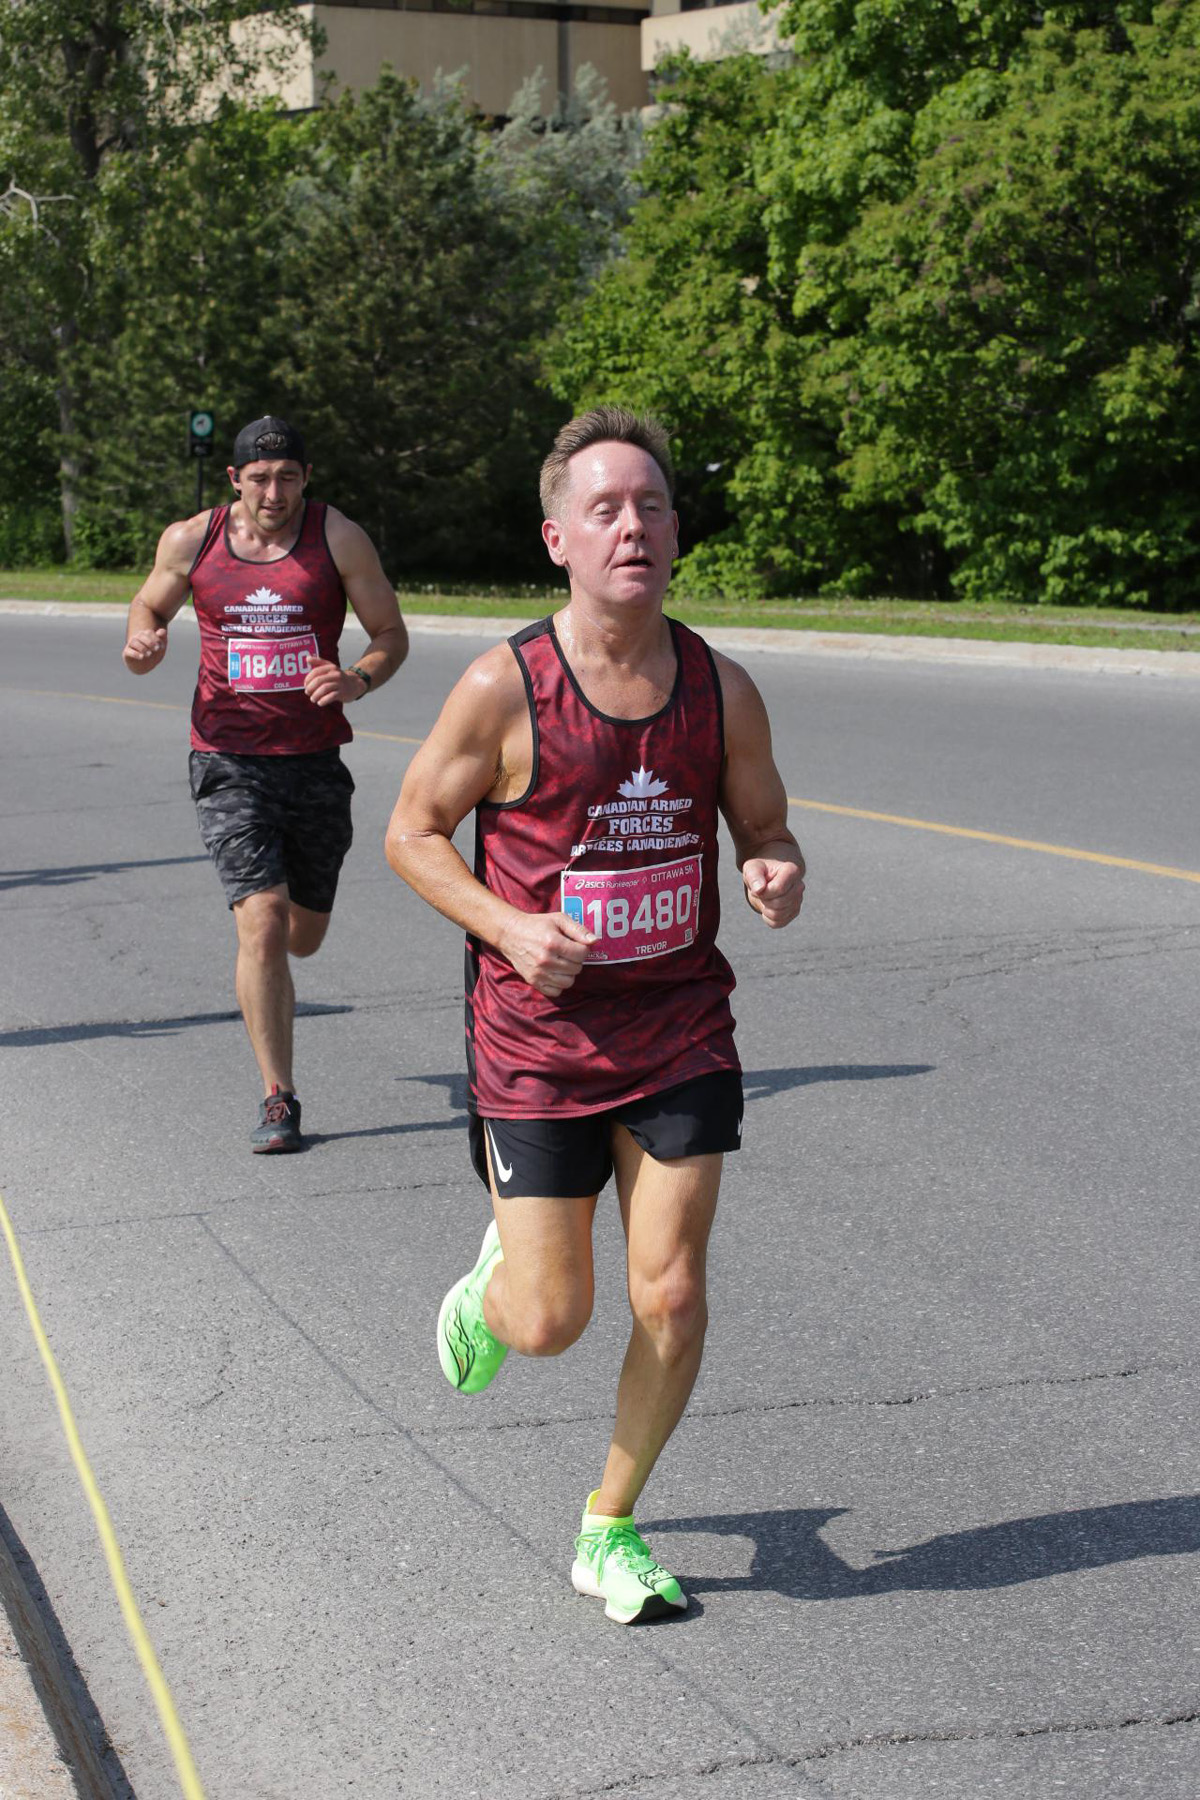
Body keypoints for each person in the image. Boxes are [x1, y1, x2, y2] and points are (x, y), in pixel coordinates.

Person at [385, 404, 804, 1624]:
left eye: (653, 505)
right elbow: (411, 834)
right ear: (558, 538)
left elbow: (764, 827)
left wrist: (775, 865)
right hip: (538, 1044)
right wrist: (510, 926)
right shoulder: (500, 688)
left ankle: (608, 1525)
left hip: (679, 1022)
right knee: (552, 1319)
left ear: (677, 533)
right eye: (607, 508)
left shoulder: (721, 688)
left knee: (670, 1291)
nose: (634, 524)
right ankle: (495, 1286)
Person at [123, 415, 408, 1152]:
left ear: (306, 479)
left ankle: (282, 954)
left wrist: (356, 679)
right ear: (235, 481)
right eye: (259, 479)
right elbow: (150, 603)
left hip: (314, 762)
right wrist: (143, 638)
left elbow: (390, 634)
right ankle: (278, 1097)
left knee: (302, 936)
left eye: (287, 478)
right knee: (265, 920)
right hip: (226, 758)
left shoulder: (337, 537)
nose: (273, 492)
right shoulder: (194, 539)